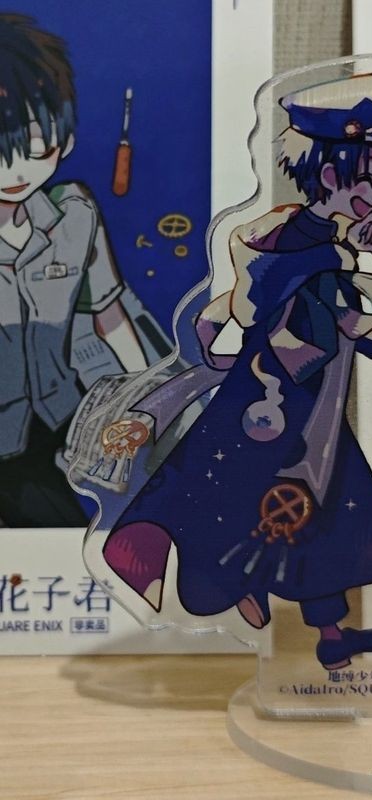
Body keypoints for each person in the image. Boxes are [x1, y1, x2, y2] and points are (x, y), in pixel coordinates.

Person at [100, 73, 372, 671]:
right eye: (363, 180)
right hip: (276, 412)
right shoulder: (308, 252)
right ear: (327, 175)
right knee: (256, 505)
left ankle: (327, 634)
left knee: (313, 515)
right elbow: (339, 331)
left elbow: (322, 326)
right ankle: (246, 594)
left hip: (299, 409)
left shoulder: (300, 240)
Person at [0, 14, 160, 527]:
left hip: (65, 425)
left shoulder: (75, 215)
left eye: (36, 149)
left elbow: (110, 316)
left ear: (63, 142)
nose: (15, 171)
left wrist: (146, 397)